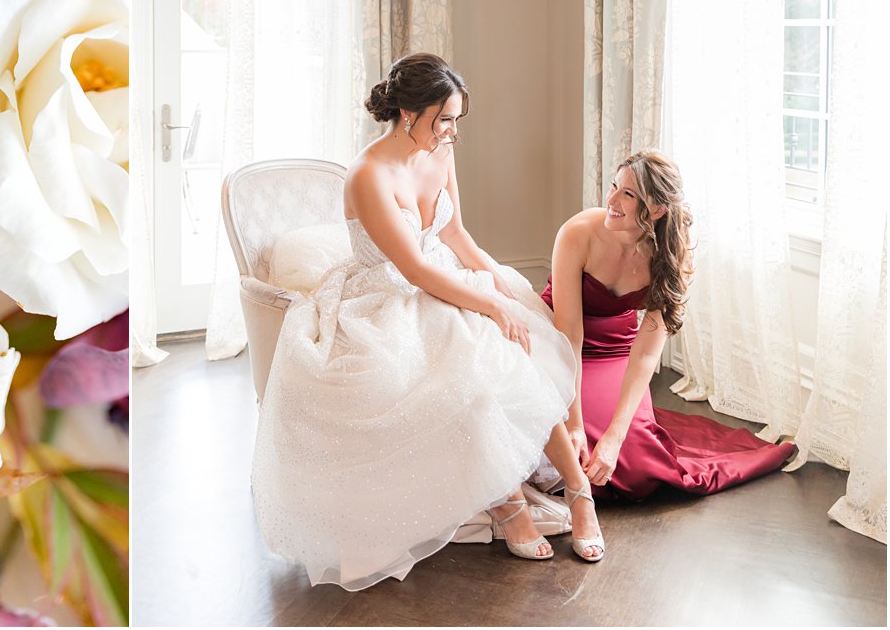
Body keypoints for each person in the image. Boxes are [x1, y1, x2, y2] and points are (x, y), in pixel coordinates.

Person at [251, 54, 604, 591]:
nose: (452, 132)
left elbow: (455, 235)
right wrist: (489, 306)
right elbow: (412, 269)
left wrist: (501, 285)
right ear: (408, 112)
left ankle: (580, 495)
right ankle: (508, 504)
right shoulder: (367, 175)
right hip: (387, 295)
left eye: (458, 120)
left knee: (518, 345)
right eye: (444, 119)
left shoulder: (440, 150)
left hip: (442, 277)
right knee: (469, 353)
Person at [542, 151, 795, 498]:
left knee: (636, 466)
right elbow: (568, 333)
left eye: (627, 195)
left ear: (657, 209)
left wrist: (616, 436)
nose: (611, 200)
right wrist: (573, 421)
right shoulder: (579, 232)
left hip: (617, 350)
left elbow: (646, 355)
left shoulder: (672, 254)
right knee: (568, 446)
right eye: (614, 187)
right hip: (560, 345)